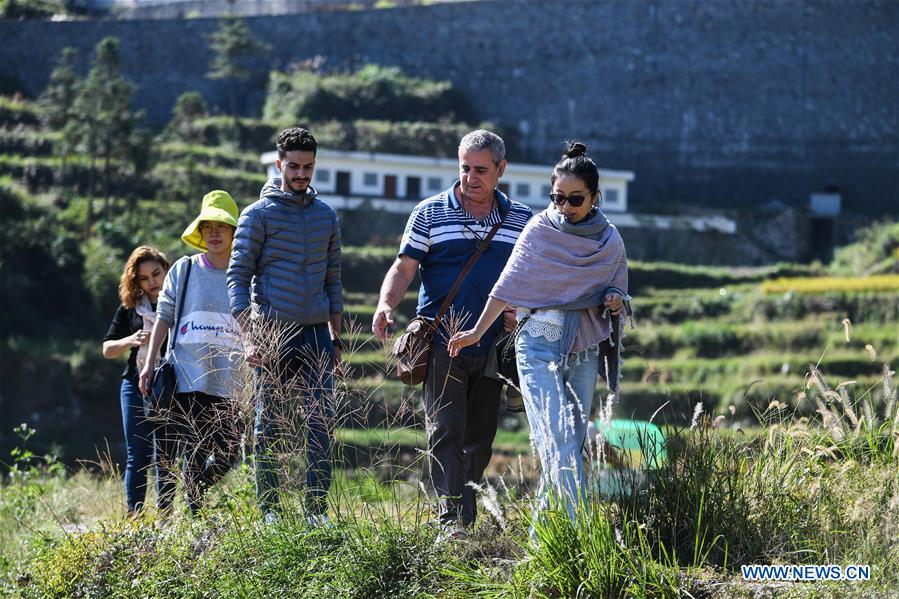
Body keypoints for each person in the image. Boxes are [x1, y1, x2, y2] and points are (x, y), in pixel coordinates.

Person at [448, 142, 629, 531]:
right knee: (556, 435)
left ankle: (541, 540)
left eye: (575, 199)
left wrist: (614, 299)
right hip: (538, 344)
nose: (564, 207)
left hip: (583, 347)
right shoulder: (539, 230)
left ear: (596, 197)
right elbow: (507, 286)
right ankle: (581, 532)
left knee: (567, 445)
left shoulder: (609, 240)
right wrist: (478, 331)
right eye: (557, 197)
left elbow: (617, 290)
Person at [372, 130, 533, 534]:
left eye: (481, 170)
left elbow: (535, 278)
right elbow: (404, 267)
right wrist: (385, 305)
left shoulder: (522, 220)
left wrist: (523, 311)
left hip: (496, 343)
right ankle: (452, 521)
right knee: (444, 428)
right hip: (444, 340)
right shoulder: (429, 212)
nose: (470, 177)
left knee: (480, 437)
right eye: (464, 168)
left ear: (501, 170)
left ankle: (464, 513)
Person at [227, 127, 343, 526]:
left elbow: (333, 280)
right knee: (268, 424)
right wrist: (248, 340)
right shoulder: (256, 215)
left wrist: (336, 338)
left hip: (316, 336)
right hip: (272, 332)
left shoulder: (326, 215)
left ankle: (315, 511)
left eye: (308, 167)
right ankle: (270, 511)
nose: (300, 174)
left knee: (320, 423)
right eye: (293, 166)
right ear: (278, 164)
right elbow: (238, 277)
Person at [139, 190, 242, 515]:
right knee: (195, 448)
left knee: (229, 451)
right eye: (208, 226)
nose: (213, 232)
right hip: (189, 374)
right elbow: (165, 317)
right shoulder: (184, 270)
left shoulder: (244, 274)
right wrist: (150, 362)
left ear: (233, 232)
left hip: (232, 379)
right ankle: (195, 512)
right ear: (200, 231)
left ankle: (195, 489)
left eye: (222, 226)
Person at [103, 246, 171, 515]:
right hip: (134, 384)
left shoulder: (180, 302)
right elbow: (107, 349)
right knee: (138, 454)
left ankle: (165, 519)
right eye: (144, 278)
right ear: (136, 281)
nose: (152, 282)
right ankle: (135, 519)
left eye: (156, 273)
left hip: (170, 383)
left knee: (165, 455)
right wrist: (130, 340)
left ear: (167, 271)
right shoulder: (130, 309)